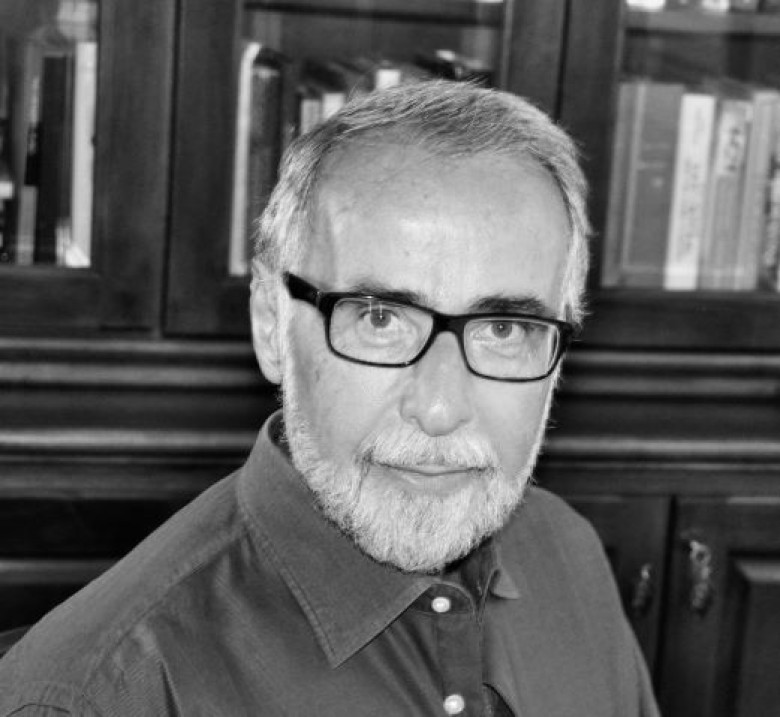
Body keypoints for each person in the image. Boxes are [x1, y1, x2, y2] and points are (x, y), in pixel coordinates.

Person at [0, 80, 660, 716]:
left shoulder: (567, 551)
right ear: (270, 323)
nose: (439, 409)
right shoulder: (94, 698)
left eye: (504, 329)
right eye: (380, 318)